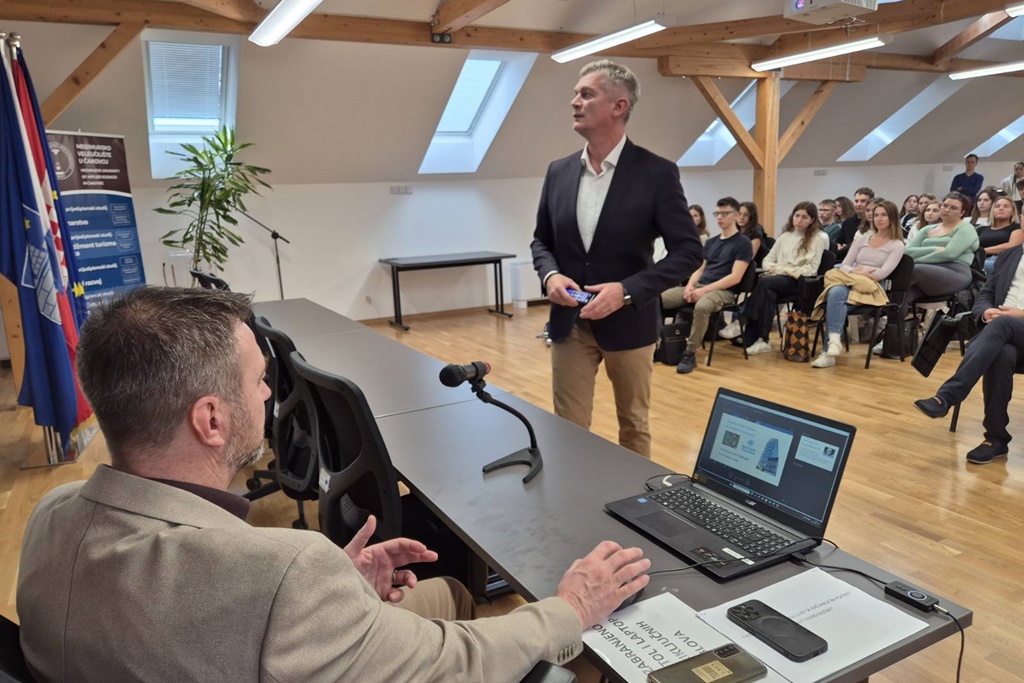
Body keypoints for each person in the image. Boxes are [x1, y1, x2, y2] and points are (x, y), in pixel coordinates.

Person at [17, 287, 652, 682]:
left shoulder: (50, 515)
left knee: (451, 593)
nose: (270, 395)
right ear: (210, 420)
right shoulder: (281, 570)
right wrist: (571, 607)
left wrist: (333, 594)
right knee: (544, 642)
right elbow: (454, 662)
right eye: (258, 382)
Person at [531, 59, 702, 458]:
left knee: (634, 425)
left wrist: (626, 291)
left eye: (586, 94)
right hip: (570, 321)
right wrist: (550, 275)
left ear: (618, 106)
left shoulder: (657, 173)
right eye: (576, 94)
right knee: (568, 426)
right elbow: (542, 241)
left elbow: (689, 251)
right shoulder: (558, 172)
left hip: (629, 323)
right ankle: (573, 493)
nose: (574, 102)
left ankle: (634, 496)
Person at [914, 244, 1024, 465]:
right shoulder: (1009, 255)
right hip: (1002, 336)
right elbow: (986, 294)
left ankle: (947, 397)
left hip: (1008, 326)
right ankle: (996, 439)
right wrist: (985, 312)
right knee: (1001, 355)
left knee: (1001, 326)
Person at [810, 199, 906, 368]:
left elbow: (882, 273)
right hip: (850, 282)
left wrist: (858, 271)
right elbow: (844, 264)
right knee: (836, 292)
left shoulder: (897, 244)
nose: (878, 219)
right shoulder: (863, 238)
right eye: (876, 215)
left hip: (872, 288)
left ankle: (829, 351)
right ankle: (833, 343)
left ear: (892, 218)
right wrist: (859, 272)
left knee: (835, 299)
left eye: (884, 215)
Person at [667, 197, 752, 373]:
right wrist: (690, 286)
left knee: (702, 306)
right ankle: (657, 343)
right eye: (717, 213)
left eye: (725, 213)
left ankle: (690, 352)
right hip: (701, 286)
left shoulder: (743, 243)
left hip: (723, 291)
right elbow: (699, 269)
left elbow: (735, 277)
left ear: (736, 215)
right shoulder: (711, 242)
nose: (720, 217)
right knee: (659, 298)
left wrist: (703, 290)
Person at [740, 201, 825, 355]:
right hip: (776, 282)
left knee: (765, 282)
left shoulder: (817, 240)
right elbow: (767, 261)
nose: (799, 220)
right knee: (768, 293)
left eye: (804, 217)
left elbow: (811, 270)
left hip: (799, 283)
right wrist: (779, 269)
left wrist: (782, 269)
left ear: (812, 220)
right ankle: (762, 340)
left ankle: (743, 321)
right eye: (797, 216)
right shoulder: (785, 236)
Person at [903, 192, 980, 319]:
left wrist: (917, 259)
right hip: (926, 274)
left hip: (955, 272)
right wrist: (935, 249)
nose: (947, 210)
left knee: (914, 270)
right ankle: (893, 331)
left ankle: (881, 291)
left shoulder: (966, 228)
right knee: (902, 296)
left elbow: (949, 254)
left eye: (953, 208)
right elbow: (907, 251)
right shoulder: (927, 229)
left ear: (962, 212)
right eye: (945, 205)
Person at [978, 195, 1023, 274]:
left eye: (1006, 206)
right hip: (979, 260)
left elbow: (1012, 246)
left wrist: (983, 251)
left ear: (1012, 211)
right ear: (992, 211)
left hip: (1002, 261)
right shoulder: (981, 229)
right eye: (997, 206)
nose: (1001, 208)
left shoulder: (1017, 227)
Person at [836, 187, 875, 259]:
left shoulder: (874, 223)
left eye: (863, 201)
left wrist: (847, 247)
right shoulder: (847, 223)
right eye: (856, 201)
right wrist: (839, 246)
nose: (858, 204)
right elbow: (838, 242)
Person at [737, 201, 767, 266]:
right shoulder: (734, 231)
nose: (741, 217)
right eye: (739, 214)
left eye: (746, 215)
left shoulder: (756, 233)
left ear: (752, 217)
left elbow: (748, 258)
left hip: (752, 267)